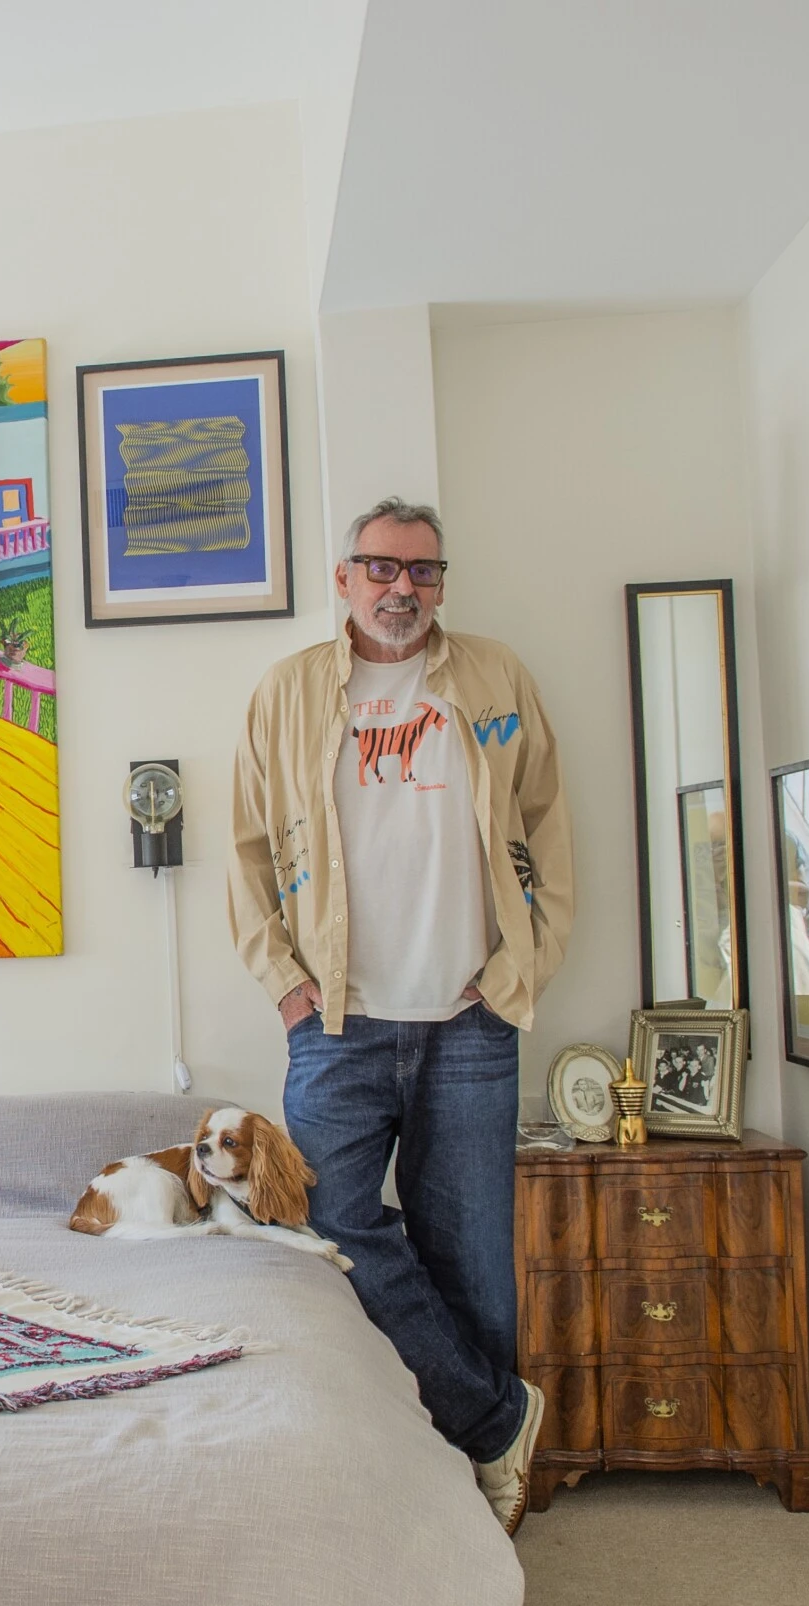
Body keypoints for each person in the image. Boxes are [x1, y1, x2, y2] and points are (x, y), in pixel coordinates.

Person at [229, 497, 574, 1534]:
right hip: (336, 1019)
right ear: (344, 579)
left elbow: (548, 823)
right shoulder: (288, 692)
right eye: (380, 568)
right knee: (327, 1218)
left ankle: (481, 1477)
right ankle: (494, 1418)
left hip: (471, 1014)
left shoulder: (493, 676)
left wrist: (524, 965)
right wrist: (285, 986)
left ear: (439, 584)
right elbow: (247, 850)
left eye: (422, 572)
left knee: (468, 1251)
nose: (401, 589)